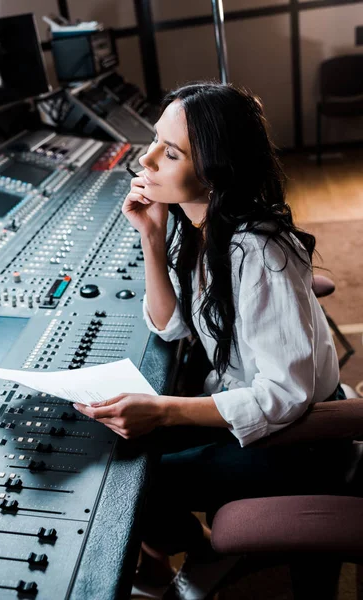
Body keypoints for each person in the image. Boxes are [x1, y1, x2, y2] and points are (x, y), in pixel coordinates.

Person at [73, 82, 347, 600]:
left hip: (300, 438)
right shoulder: (197, 223)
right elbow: (172, 326)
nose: (146, 159)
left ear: (216, 170)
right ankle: (171, 564)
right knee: (113, 448)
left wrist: (165, 411)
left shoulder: (259, 252)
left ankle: (206, 553)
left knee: (133, 489)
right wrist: (151, 239)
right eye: (154, 140)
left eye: (170, 152)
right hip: (242, 404)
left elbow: (283, 397)